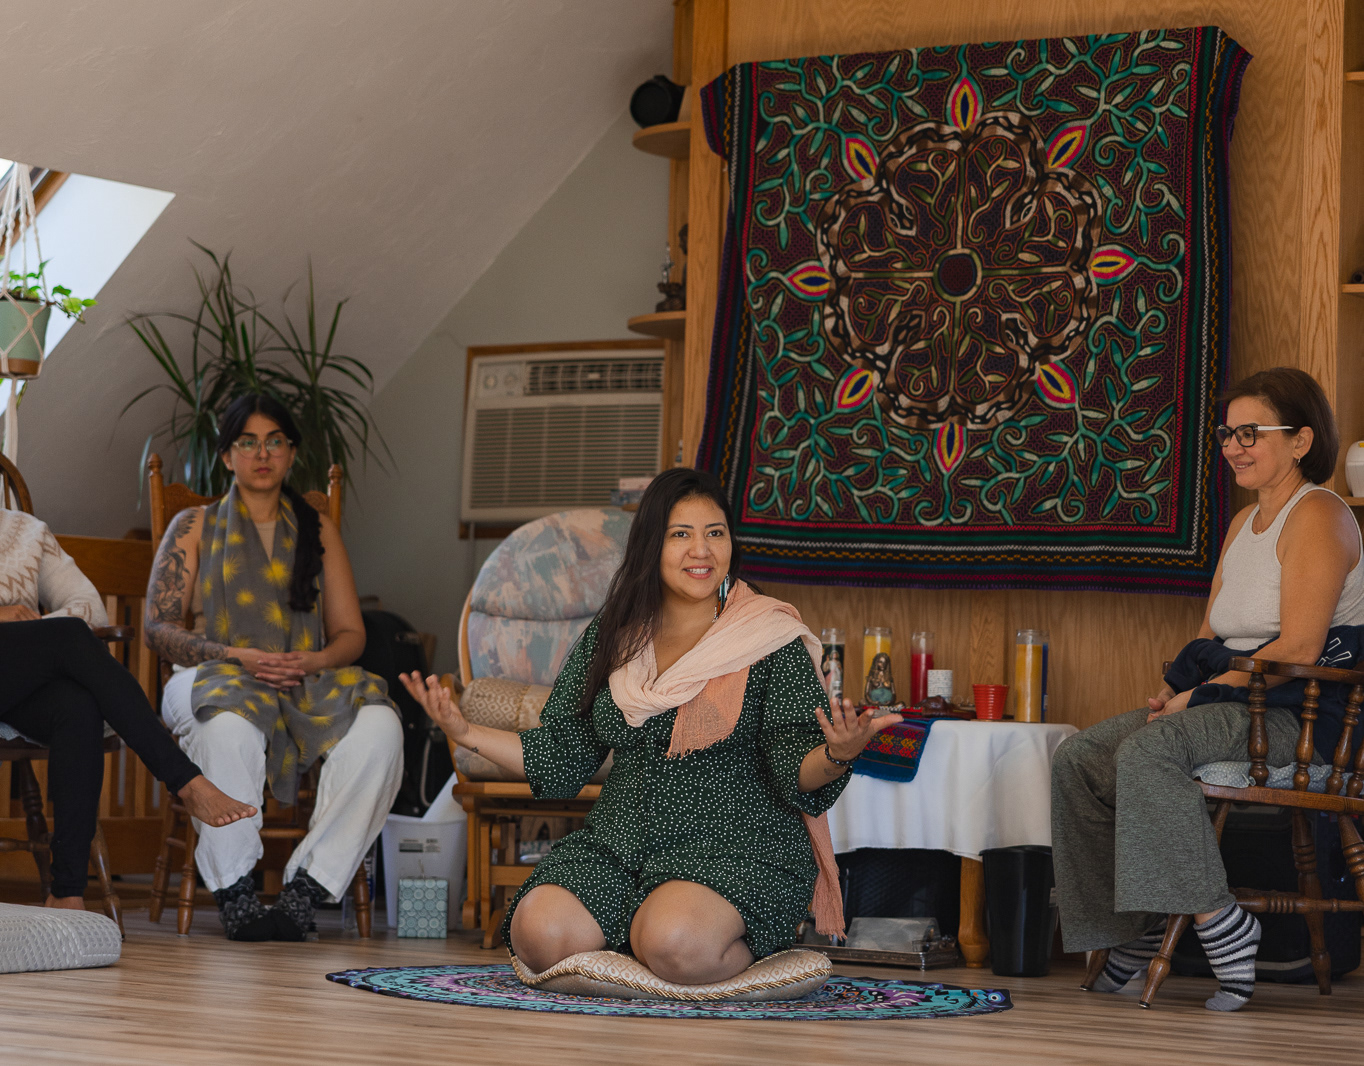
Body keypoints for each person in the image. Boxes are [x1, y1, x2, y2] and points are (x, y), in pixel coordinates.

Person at [401, 468, 895, 983]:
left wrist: (838, 752)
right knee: (538, 933)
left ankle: (711, 950)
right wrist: (465, 732)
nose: (701, 550)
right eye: (681, 534)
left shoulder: (770, 635)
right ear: (651, 546)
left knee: (675, 943)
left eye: (715, 533)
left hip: (736, 847)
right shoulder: (616, 634)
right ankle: (646, 951)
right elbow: (561, 754)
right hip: (621, 844)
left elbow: (794, 767)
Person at [1051, 366, 1364, 1012]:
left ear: (1301, 440)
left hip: (1297, 715)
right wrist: (1174, 692)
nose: (1233, 446)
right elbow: (1208, 636)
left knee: (1149, 751)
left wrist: (1200, 697)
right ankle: (1132, 931)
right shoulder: (1243, 522)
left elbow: (1300, 649)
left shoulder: (1319, 515)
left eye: (1251, 433)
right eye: (1227, 434)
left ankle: (1221, 922)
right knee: (1079, 759)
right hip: (1235, 699)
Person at [145, 394, 403, 941]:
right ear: (226, 455)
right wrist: (236, 656)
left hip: (304, 678)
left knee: (382, 726)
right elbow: (159, 629)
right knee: (227, 725)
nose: (262, 454)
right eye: (248, 442)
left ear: (291, 453)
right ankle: (235, 890)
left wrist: (314, 660)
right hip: (214, 674)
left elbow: (351, 634)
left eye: (274, 442)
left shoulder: (317, 527)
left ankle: (308, 887)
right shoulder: (193, 525)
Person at [0, 505, 254, 911]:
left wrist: (31, 632)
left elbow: (89, 607)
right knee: (68, 636)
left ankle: (66, 892)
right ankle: (185, 779)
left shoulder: (25, 531)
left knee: (77, 706)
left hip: (13, 679)